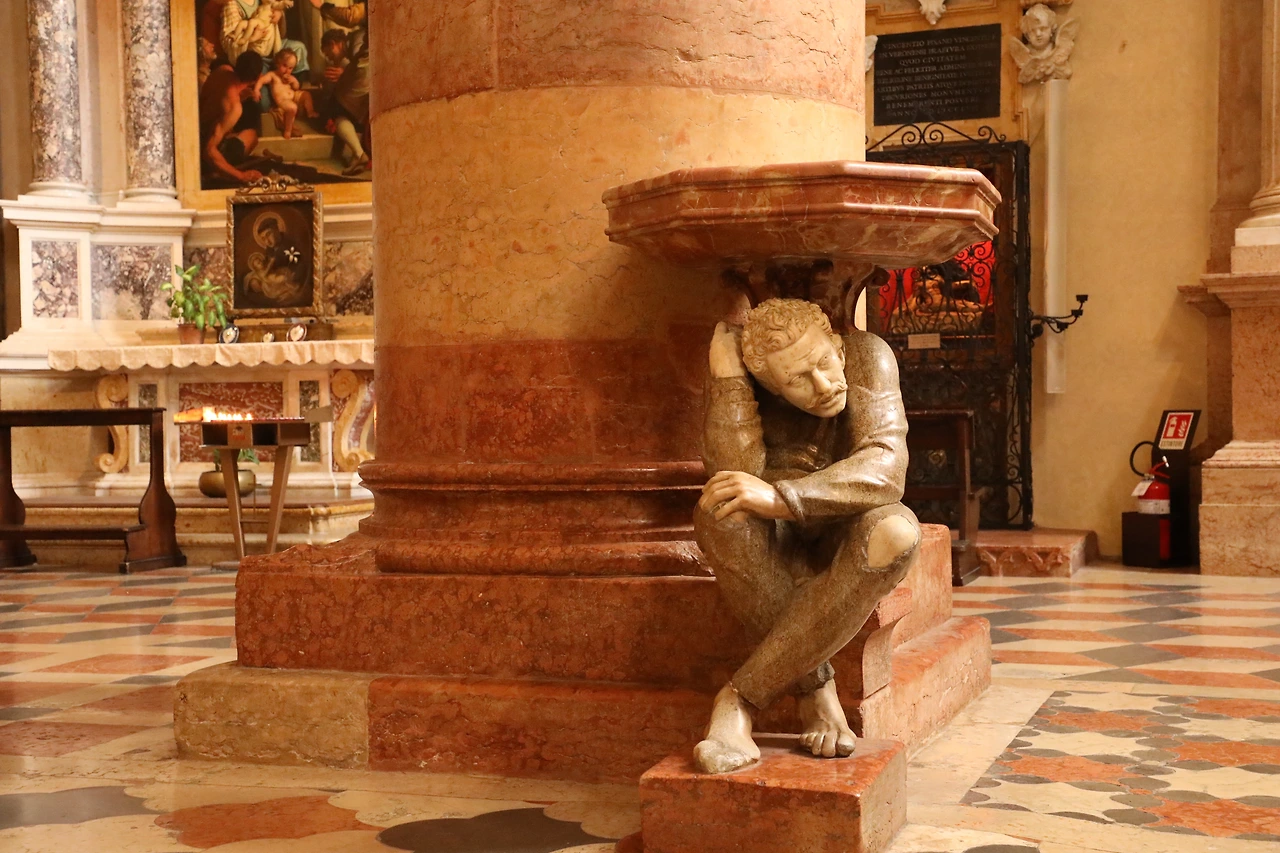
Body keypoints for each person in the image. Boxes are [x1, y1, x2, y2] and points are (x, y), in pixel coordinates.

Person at [693, 298, 921, 774]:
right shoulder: (752, 383)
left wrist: (784, 498)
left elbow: (886, 466)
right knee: (721, 512)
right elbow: (733, 476)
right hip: (779, 531)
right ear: (773, 387)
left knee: (896, 533)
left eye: (824, 363)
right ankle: (815, 688)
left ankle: (739, 699)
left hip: (848, 515)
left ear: (837, 346)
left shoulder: (867, 355)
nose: (822, 386)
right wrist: (729, 379)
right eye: (798, 380)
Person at [200, 52, 267, 184]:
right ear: (258, 77)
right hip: (201, 152)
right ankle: (216, 172)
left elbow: (218, 101)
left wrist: (240, 96)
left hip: (198, 131)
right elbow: (208, 151)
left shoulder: (223, 70)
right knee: (251, 137)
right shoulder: (234, 108)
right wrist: (241, 176)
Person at [319, 27, 371, 176]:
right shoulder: (352, 45)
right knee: (339, 110)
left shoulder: (357, 39)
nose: (330, 59)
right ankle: (358, 155)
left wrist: (344, 73)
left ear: (333, 44)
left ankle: (359, 155)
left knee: (336, 109)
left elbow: (364, 63)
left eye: (328, 54)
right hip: (368, 84)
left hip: (367, 83)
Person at [254, 48, 316, 139]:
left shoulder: (290, 77)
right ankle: (288, 130)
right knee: (292, 108)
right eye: (284, 66)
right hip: (282, 101)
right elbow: (261, 80)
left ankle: (310, 112)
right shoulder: (273, 75)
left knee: (306, 94)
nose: (287, 70)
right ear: (277, 63)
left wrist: (294, 81)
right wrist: (256, 90)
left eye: (290, 68)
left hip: (294, 96)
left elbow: (296, 88)